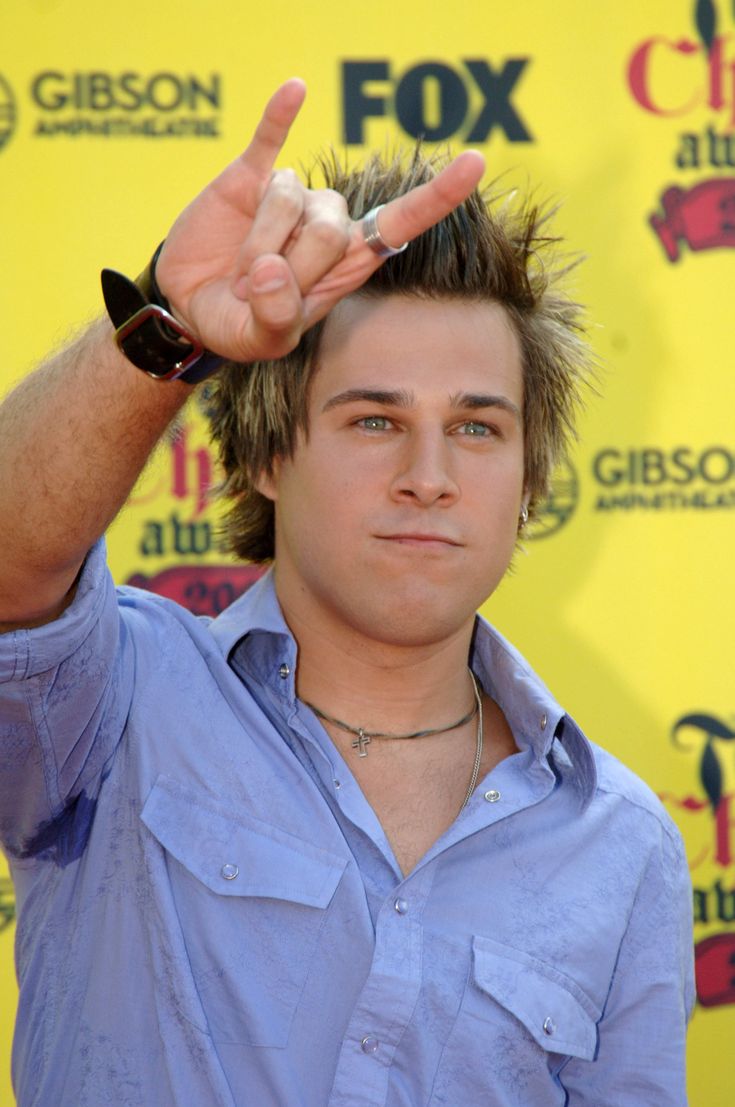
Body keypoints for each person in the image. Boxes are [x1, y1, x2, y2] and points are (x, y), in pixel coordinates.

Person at [0, 79, 693, 1107]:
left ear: (528, 483)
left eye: (477, 426)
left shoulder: (625, 845)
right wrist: (170, 327)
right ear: (266, 456)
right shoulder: (119, 706)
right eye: (374, 419)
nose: (430, 473)